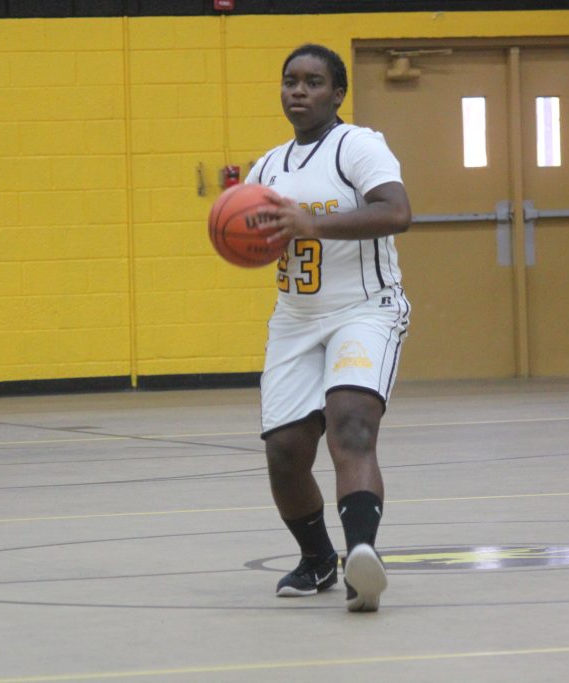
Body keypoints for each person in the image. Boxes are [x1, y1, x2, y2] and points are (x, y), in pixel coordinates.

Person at [244, 44, 412, 612]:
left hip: (364, 309)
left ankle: (363, 557)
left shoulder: (357, 146)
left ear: (337, 93)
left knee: (351, 426)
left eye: (313, 82)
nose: (299, 90)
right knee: (285, 453)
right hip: (295, 320)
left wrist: (311, 222)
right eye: (290, 80)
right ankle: (318, 562)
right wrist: (245, 236)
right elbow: (257, 241)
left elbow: (396, 212)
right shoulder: (266, 168)